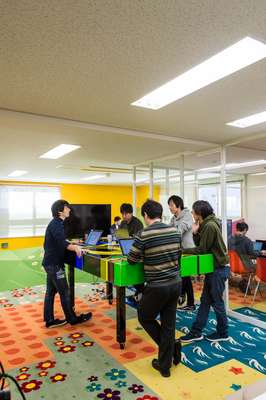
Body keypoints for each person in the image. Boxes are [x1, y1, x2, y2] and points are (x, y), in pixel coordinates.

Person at [127, 199, 182, 378]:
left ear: (145, 215)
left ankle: (171, 348)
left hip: (157, 285)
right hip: (175, 283)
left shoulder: (143, 234)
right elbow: (177, 253)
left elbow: (132, 259)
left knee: (145, 316)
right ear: (160, 213)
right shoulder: (174, 230)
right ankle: (164, 366)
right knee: (168, 323)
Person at [180, 200, 230, 343]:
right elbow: (202, 245)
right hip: (214, 268)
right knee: (205, 301)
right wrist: (196, 232)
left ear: (199, 213)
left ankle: (223, 332)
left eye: (193, 211)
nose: (192, 214)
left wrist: (183, 250)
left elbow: (202, 249)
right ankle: (196, 331)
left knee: (216, 302)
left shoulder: (209, 225)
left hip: (218, 269)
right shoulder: (207, 224)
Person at [42, 199, 92, 328]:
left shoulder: (56, 223)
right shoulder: (56, 224)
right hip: (54, 265)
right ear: (60, 211)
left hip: (50, 263)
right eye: (67, 207)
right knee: (64, 291)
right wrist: (75, 247)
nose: (69, 209)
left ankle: (49, 320)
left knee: (51, 292)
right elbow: (61, 243)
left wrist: (73, 244)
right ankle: (72, 319)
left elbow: (58, 241)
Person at [168, 195, 195, 311]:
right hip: (178, 251)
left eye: (171, 205)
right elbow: (169, 230)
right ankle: (183, 296)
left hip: (187, 251)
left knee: (185, 277)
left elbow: (181, 230)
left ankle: (190, 302)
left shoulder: (187, 215)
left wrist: (173, 231)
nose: (170, 207)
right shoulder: (173, 218)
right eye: (169, 205)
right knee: (182, 276)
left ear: (178, 205)